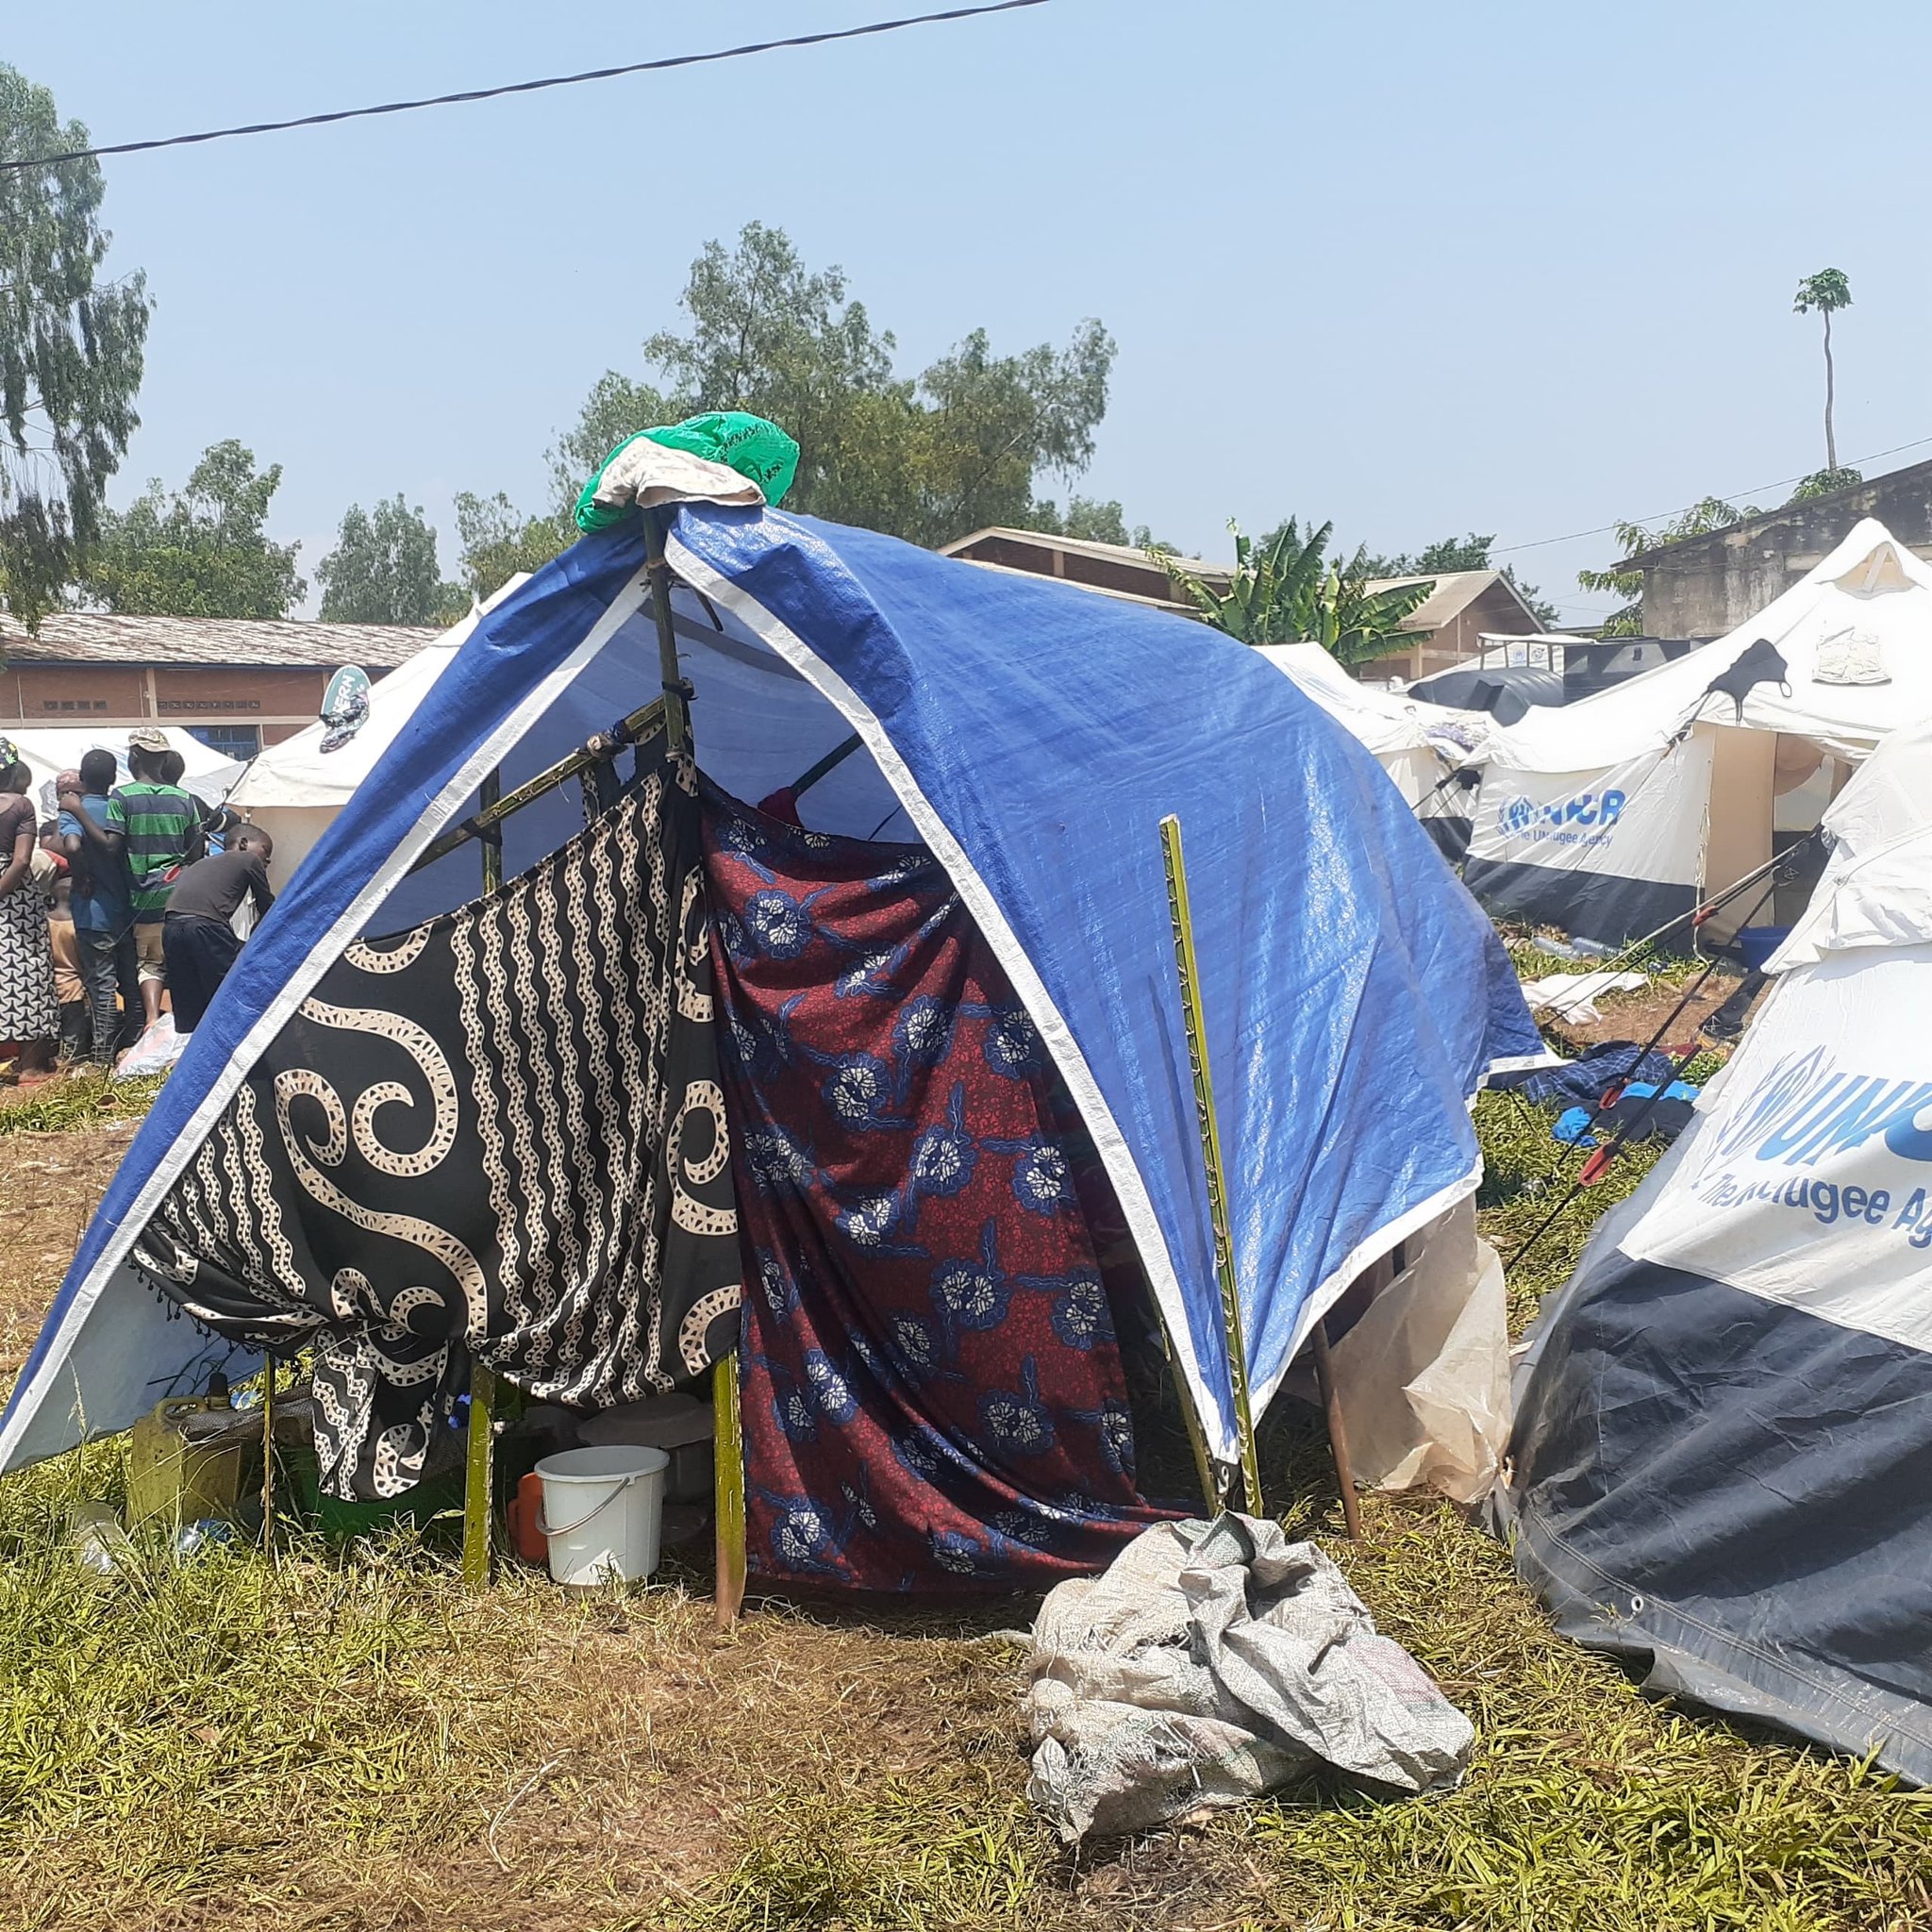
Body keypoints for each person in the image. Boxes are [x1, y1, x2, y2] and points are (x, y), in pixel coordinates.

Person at [104, 729, 203, 1028]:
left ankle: (150, 1019)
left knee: (149, 963)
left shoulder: (122, 797)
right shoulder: (185, 799)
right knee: (183, 963)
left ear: (134, 757)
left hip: (143, 896)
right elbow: (195, 851)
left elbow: (113, 846)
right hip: (180, 895)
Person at [58, 748, 142, 1063]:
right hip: (127, 910)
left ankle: (103, 1057)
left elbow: (72, 845)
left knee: (102, 986)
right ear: (113, 778)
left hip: (93, 914)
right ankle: (134, 1048)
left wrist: (80, 875)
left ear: (81, 778)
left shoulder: (73, 810)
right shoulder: (121, 809)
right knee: (130, 984)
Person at [161, 826, 275, 1034]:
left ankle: (194, 1051)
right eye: (265, 852)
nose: (266, 861)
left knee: (189, 1002)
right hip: (205, 926)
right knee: (229, 991)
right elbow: (267, 907)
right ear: (243, 844)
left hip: (171, 927)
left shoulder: (198, 864)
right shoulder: (249, 860)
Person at [0, 740, 60, 1084]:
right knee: (28, 975)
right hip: (16, 899)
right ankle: (31, 1065)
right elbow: (22, 860)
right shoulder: (21, 805)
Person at [44, 863, 91, 1063]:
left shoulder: (44, 923)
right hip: (73, 989)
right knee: (73, 1039)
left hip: (48, 990)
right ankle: (71, 1065)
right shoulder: (76, 928)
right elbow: (84, 962)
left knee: (53, 1035)